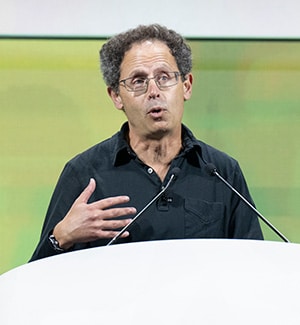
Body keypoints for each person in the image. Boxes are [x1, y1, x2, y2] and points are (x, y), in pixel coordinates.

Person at [30, 24, 263, 261]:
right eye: (138, 81)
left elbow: (254, 267)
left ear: (187, 86)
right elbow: (37, 277)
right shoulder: (84, 173)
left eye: (164, 77)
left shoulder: (222, 172)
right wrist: (60, 237)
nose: (154, 91)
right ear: (116, 96)